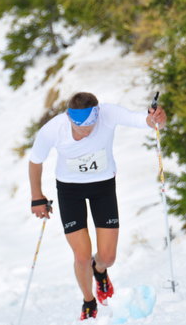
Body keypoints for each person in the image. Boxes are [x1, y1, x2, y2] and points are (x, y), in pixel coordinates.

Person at [28, 92, 167, 320]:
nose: (86, 132)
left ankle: (99, 270)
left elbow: (143, 121)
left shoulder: (107, 114)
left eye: (91, 126)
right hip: (70, 191)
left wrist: (156, 118)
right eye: (80, 128)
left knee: (108, 257)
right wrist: (37, 197)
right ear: (69, 118)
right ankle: (88, 300)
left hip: (102, 188)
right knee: (81, 256)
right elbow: (35, 161)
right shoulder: (54, 129)